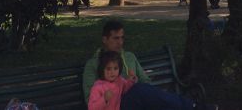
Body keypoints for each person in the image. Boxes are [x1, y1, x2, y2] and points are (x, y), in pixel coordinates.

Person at [83, 20, 218, 110]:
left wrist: (134, 80)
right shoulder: (94, 64)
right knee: (140, 91)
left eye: (122, 38)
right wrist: (108, 97)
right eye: (115, 38)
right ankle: (194, 107)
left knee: (143, 91)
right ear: (104, 40)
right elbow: (90, 99)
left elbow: (145, 81)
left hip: (139, 101)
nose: (120, 42)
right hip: (116, 106)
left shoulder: (129, 57)